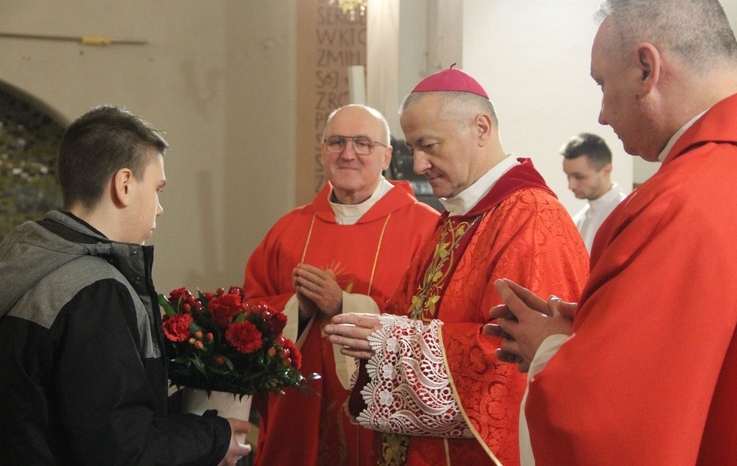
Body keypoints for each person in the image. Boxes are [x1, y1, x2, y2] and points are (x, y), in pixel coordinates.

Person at [485, 0, 737, 465]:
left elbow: (614, 424)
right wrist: (590, 326)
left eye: (603, 84)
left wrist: (550, 349)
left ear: (647, 69)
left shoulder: (681, 201)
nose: (602, 115)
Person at [324, 67, 589, 466]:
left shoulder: (532, 219)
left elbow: (516, 361)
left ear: (480, 127)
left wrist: (391, 343)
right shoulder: (454, 219)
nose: (418, 165)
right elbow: (403, 316)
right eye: (413, 148)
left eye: (429, 145)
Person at [0, 105, 251, 464]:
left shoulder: (23, 260)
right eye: (157, 188)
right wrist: (215, 437)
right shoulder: (93, 290)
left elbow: (61, 410)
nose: (160, 207)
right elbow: (120, 451)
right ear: (124, 184)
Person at [243, 104, 440, 465]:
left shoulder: (427, 230)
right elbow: (247, 322)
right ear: (323, 151)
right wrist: (297, 308)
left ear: (386, 156)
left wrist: (345, 306)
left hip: (383, 426)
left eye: (363, 143)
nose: (348, 153)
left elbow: (435, 329)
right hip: (297, 421)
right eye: (337, 142)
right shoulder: (289, 230)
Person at [560, 132, 627, 252]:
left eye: (579, 177)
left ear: (606, 170)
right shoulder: (577, 221)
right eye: (568, 176)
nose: (571, 185)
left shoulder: (626, 214)